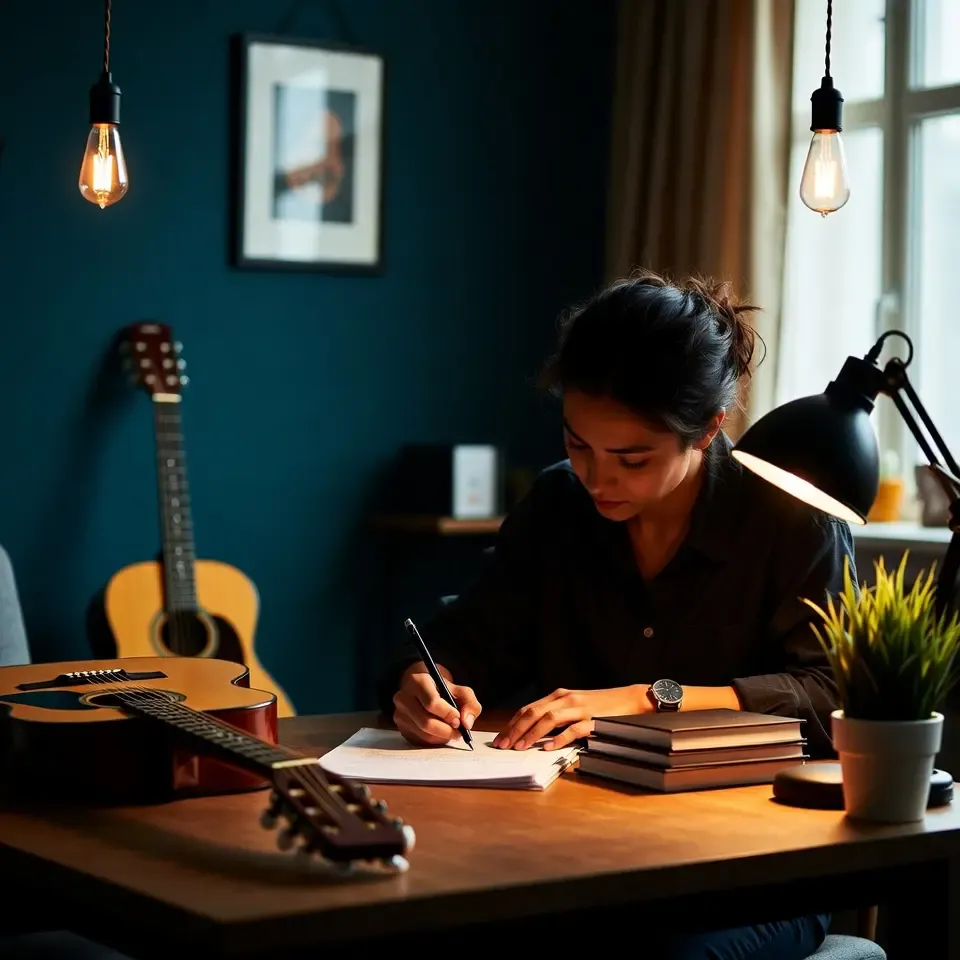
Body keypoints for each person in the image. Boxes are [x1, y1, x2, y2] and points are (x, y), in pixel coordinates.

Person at [378, 270, 849, 960]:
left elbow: (829, 694)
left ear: (708, 428)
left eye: (631, 459)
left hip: (754, 867)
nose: (597, 480)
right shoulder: (558, 506)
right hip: (579, 849)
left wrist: (645, 699)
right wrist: (426, 683)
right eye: (578, 445)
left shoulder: (788, 520)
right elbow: (466, 637)